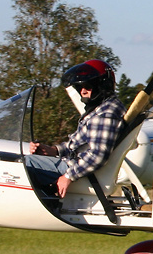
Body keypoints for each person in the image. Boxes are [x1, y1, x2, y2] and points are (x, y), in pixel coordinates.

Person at [27, 59, 127, 198]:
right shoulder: (100, 110)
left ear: (103, 85)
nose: (83, 91)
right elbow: (78, 144)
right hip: (74, 165)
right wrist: (53, 150)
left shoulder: (106, 114)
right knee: (20, 159)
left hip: (77, 170)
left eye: (88, 85)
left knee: (26, 164)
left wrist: (68, 176)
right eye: (80, 87)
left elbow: (98, 155)